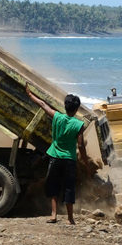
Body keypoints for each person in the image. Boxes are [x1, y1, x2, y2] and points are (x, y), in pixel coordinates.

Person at [28, 89, 86, 224]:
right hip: (69, 160)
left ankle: (53, 215)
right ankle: (70, 218)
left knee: (53, 184)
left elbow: (43, 104)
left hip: (54, 157)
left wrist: (30, 95)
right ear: (76, 109)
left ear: (65, 106)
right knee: (69, 187)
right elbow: (81, 145)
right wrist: (85, 161)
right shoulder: (78, 125)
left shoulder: (57, 117)